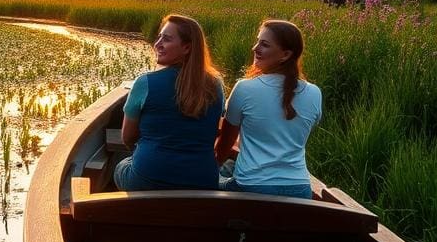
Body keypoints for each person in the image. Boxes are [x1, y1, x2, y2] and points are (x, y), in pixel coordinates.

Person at [114, 14, 224, 190]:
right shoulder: (216, 85)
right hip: (202, 181)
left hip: (148, 179)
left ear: (187, 47)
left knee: (120, 166)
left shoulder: (145, 83)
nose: (157, 44)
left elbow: (127, 137)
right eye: (159, 37)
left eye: (166, 39)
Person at [214, 20, 322, 199]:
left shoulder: (244, 88)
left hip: (251, 188)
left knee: (210, 179)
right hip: (300, 190)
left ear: (286, 54)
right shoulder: (315, 92)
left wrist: (210, 170)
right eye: (257, 42)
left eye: (264, 44)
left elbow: (223, 147)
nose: (255, 48)